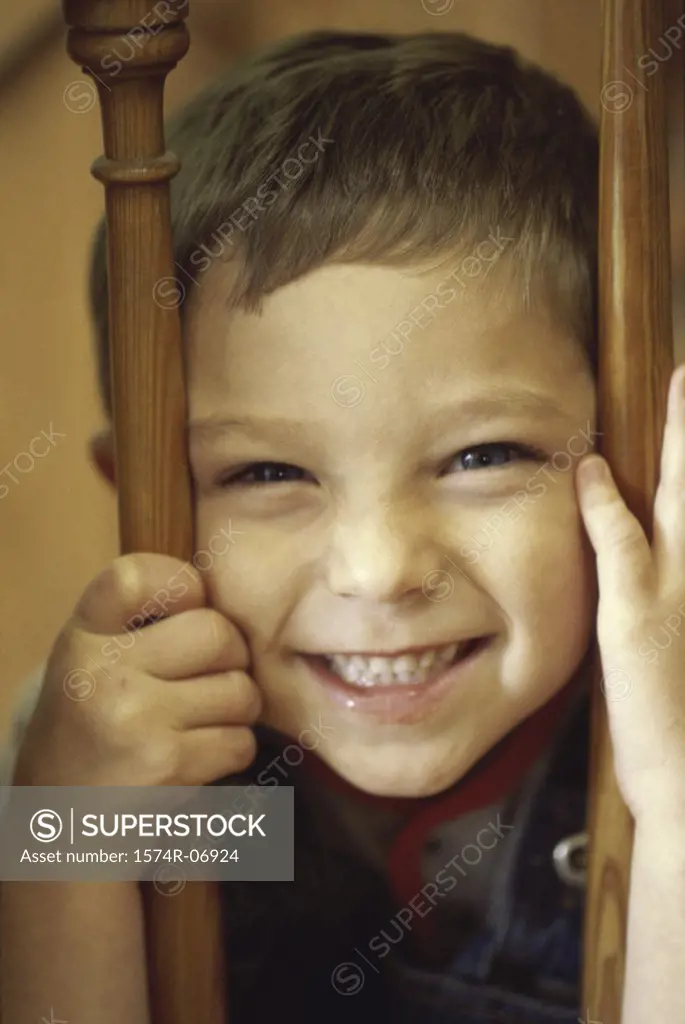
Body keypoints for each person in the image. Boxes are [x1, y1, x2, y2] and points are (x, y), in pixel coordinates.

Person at [3, 29, 685, 1024]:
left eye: (481, 456)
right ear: (142, 495)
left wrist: (670, 808)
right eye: (268, 471)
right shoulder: (136, 750)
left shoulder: (652, 726)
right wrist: (68, 829)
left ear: (646, 451)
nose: (377, 571)